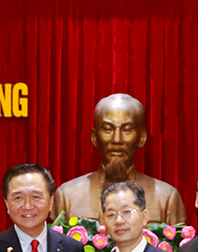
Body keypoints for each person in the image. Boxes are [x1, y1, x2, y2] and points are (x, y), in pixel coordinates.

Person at [51, 93, 186, 225]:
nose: (117, 140)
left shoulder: (166, 198)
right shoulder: (67, 196)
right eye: (107, 130)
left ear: (141, 138)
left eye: (127, 130)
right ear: (94, 138)